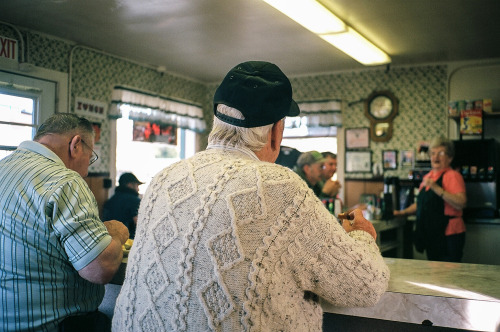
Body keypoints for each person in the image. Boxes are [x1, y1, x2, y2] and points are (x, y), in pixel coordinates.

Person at [113, 61, 389, 331]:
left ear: (217, 120)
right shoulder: (278, 186)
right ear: (275, 132)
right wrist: (362, 234)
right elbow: (366, 285)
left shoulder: (163, 178)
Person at [0, 113, 129, 332]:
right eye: (91, 156)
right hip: (53, 325)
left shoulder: (5, 167)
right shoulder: (65, 180)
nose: (87, 170)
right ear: (76, 145)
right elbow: (100, 269)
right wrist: (116, 232)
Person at [394, 136, 467, 262]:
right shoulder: (428, 176)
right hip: (432, 233)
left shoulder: (453, 176)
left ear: (449, 158)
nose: (435, 157)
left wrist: (435, 187)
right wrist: (402, 213)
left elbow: (461, 203)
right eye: (433, 153)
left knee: (449, 275)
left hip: (449, 233)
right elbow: (421, 203)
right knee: (435, 274)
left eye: (441, 153)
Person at [103, 172, 144, 239]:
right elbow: (139, 223)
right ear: (130, 185)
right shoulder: (134, 200)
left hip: (109, 240)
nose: (138, 189)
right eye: (137, 185)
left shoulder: (110, 201)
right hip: (128, 241)